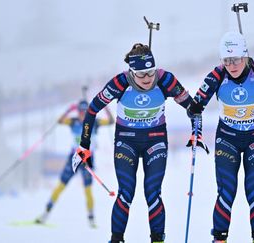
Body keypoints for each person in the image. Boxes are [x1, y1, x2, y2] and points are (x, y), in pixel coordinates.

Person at [71, 43, 208, 243]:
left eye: (150, 73)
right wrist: (84, 145)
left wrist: (198, 132)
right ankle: (116, 239)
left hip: (156, 141)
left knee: (153, 193)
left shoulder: (165, 80)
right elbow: (92, 109)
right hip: (126, 142)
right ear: (131, 72)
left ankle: (157, 239)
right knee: (126, 193)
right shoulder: (120, 82)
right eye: (141, 74)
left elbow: (193, 108)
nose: (147, 79)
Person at [186, 31, 254, 243]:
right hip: (228, 139)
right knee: (226, 193)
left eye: (236, 59)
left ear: (245, 56)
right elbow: (195, 105)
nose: (232, 65)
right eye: (226, 60)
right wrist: (196, 107)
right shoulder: (217, 75)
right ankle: (219, 239)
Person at [35, 100, 114, 227]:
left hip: (88, 159)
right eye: (80, 112)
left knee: (88, 190)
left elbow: (111, 121)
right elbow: (60, 121)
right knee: (60, 186)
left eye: (84, 112)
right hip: (74, 158)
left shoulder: (95, 122)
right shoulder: (73, 121)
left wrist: (105, 108)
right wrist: (68, 110)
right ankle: (45, 214)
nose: (82, 114)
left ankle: (91, 219)